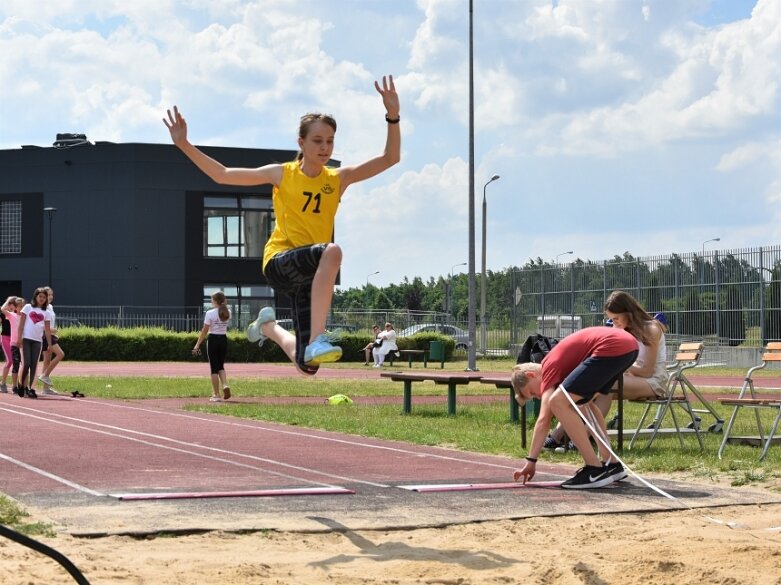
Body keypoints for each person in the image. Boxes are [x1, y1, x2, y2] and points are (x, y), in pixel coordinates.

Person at [164, 76, 400, 376]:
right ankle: (316, 338)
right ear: (300, 142)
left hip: (308, 275)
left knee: (308, 366)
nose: (325, 147)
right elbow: (222, 174)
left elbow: (391, 158)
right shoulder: (282, 174)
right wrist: (184, 144)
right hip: (279, 262)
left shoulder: (337, 179)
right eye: (317, 140)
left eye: (330, 141)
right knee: (333, 252)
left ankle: (268, 327)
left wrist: (392, 115)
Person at [510, 326, 638, 489]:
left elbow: (543, 421)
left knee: (556, 401)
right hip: (629, 346)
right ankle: (612, 463)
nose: (538, 396)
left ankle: (593, 469)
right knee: (583, 404)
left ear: (531, 375)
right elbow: (588, 408)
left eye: (532, 392)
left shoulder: (549, 366)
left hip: (612, 346)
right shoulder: (562, 367)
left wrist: (531, 461)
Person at [544, 291, 668, 451]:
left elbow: (647, 371)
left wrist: (620, 363)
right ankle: (558, 436)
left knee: (606, 384)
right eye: (611, 319)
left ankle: (583, 437)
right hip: (630, 377)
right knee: (586, 386)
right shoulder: (625, 329)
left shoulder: (651, 328)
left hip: (654, 382)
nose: (614, 323)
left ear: (628, 313)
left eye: (616, 319)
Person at [193, 291, 232, 402]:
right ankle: (225, 384)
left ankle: (216, 394)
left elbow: (204, 331)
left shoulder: (210, 313)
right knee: (221, 365)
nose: (211, 302)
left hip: (213, 339)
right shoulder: (228, 312)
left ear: (215, 301)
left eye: (212, 300)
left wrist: (197, 344)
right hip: (223, 339)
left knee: (214, 368)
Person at [16, 288, 52, 399]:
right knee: (26, 364)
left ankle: (31, 389)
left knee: (34, 365)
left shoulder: (46, 312)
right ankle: (21, 385)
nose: (42, 299)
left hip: (38, 341)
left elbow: (47, 330)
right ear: (35, 297)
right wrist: (19, 338)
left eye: (44, 297)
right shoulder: (27, 307)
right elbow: (21, 325)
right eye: (40, 296)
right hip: (26, 339)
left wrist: (50, 344)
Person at [38, 287, 65, 395]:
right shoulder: (41, 309)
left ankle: (45, 389)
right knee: (60, 354)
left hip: (51, 335)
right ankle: (44, 375)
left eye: (51, 295)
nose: (50, 297)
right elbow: (39, 324)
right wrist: (50, 330)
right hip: (45, 336)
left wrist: (53, 332)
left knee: (47, 361)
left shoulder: (50, 307)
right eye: (48, 295)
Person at [1, 296, 22, 393]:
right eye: (10, 304)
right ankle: (3, 383)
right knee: (9, 361)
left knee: (17, 362)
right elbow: (2, 309)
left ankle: (17, 384)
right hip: (5, 338)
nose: (11, 306)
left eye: (13, 304)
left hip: (15, 340)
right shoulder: (5, 314)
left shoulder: (18, 315)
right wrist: (8, 300)